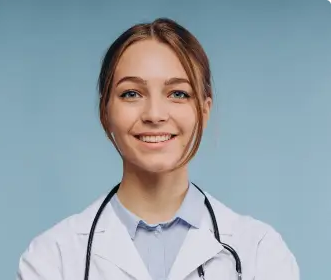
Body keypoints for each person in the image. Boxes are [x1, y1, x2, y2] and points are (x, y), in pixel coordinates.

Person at [17, 18, 299, 280]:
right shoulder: (53, 258)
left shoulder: (260, 252)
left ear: (204, 110)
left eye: (178, 94)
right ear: (105, 112)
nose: (154, 114)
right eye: (131, 94)